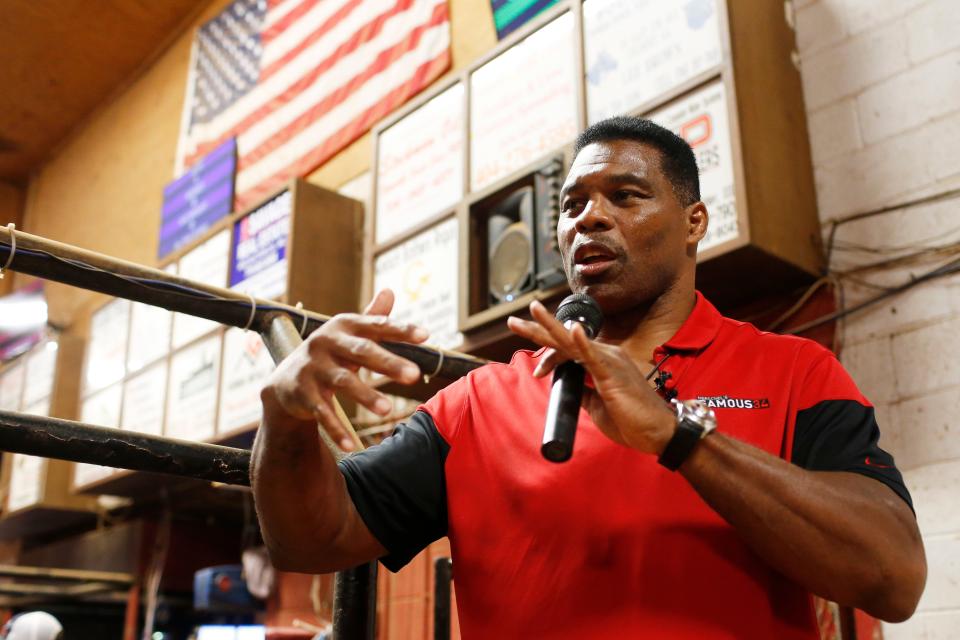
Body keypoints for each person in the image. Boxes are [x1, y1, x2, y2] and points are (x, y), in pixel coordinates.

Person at [251, 116, 926, 638]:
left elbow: (893, 577)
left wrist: (679, 439)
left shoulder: (795, 371)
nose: (589, 218)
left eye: (625, 196)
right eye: (572, 206)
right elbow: (311, 539)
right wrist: (284, 418)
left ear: (694, 223)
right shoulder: (477, 405)